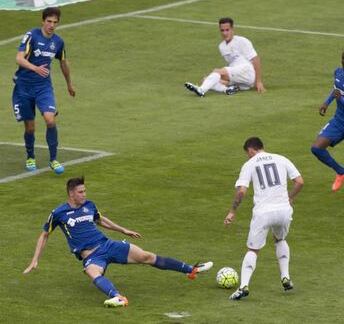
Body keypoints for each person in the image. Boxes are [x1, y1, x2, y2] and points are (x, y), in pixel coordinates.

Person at [23, 177, 213, 308]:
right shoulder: (59, 213)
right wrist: (34, 259)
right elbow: (44, 235)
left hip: (108, 245)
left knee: (146, 256)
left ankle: (191, 269)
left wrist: (123, 230)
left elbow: (101, 219)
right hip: (91, 256)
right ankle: (118, 297)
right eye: (81, 192)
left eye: (85, 191)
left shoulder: (89, 205)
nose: (84, 194)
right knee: (92, 272)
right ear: (71, 193)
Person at [224, 137, 303, 300]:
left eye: (247, 154)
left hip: (263, 213)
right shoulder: (282, 159)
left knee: (253, 250)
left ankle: (243, 286)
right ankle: (285, 277)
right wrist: (289, 198)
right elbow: (299, 182)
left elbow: (241, 192)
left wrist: (232, 211)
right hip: (284, 211)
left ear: (251, 150)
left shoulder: (250, 164)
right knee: (280, 239)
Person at [12, 7, 76, 174]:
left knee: (50, 120)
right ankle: (30, 156)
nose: (52, 25)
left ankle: (54, 159)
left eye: (55, 22)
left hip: (43, 87)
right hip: (24, 87)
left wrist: (69, 83)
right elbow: (18, 58)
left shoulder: (58, 42)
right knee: (30, 128)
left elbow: (63, 62)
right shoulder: (31, 36)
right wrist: (35, 68)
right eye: (49, 21)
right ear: (43, 21)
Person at [185, 17, 265, 97]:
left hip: (247, 71)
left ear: (232, 29)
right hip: (239, 77)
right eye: (222, 30)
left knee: (217, 71)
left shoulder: (242, 41)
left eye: (227, 30)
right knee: (206, 80)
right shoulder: (221, 46)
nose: (224, 33)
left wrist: (258, 81)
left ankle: (201, 90)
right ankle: (227, 90)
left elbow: (256, 59)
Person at [311, 51, 344, 192]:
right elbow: (336, 91)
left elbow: (340, 95)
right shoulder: (338, 73)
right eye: (343, 58)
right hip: (339, 121)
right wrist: (326, 103)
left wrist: (341, 99)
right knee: (317, 148)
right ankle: (341, 172)